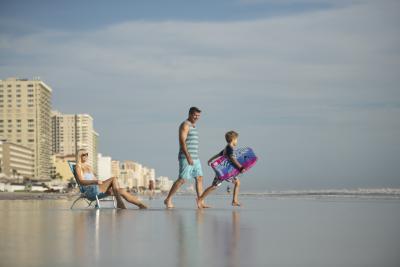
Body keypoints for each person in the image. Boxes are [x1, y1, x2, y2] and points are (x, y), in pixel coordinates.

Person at [164, 107, 207, 208]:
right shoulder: (185, 125)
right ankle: (168, 199)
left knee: (199, 178)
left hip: (196, 157)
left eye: (198, 116)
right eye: (195, 115)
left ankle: (200, 201)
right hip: (186, 156)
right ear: (190, 114)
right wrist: (188, 157)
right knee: (182, 179)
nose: (197, 117)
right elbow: (182, 142)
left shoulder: (193, 126)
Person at [75, 149, 147, 209]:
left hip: (96, 187)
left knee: (121, 191)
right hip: (90, 191)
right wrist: (95, 181)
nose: (86, 156)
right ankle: (119, 203)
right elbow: (81, 182)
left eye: (87, 154)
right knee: (113, 179)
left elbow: (96, 179)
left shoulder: (88, 167)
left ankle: (140, 205)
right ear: (79, 156)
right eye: (84, 154)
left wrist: (101, 182)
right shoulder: (78, 167)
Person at [197, 131, 244, 208]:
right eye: (236, 139)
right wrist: (240, 167)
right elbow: (232, 159)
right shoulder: (230, 148)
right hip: (225, 171)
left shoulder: (227, 147)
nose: (237, 141)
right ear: (233, 139)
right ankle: (200, 199)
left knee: (236, 183)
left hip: (225, 171)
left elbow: (219, 154)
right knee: (214, 186)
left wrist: (210, 160)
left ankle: (234, 201)